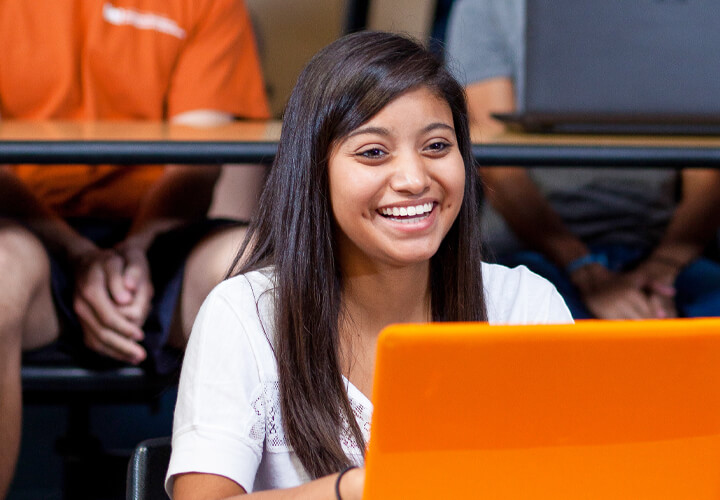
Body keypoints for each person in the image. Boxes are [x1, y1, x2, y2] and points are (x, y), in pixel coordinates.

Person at [165, 30, 573, 500]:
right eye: (373, 153)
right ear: (315, 170)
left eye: (437, 146)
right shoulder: (244, 313)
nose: (414, 179)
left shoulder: (525, 304)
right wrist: (359, 488)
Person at [0, 0, 269, 497]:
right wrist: (77, 253)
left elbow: (197, 159)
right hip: (27, 231)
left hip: (162, 233)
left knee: (267, 276)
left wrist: (139, 249)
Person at [446, 0, 720, 320]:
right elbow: (497, 164)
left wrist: (664, 267)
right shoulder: (490, 6)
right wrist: (584, 270)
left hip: (666, 245)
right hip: (528, 245)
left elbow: (707, 171)